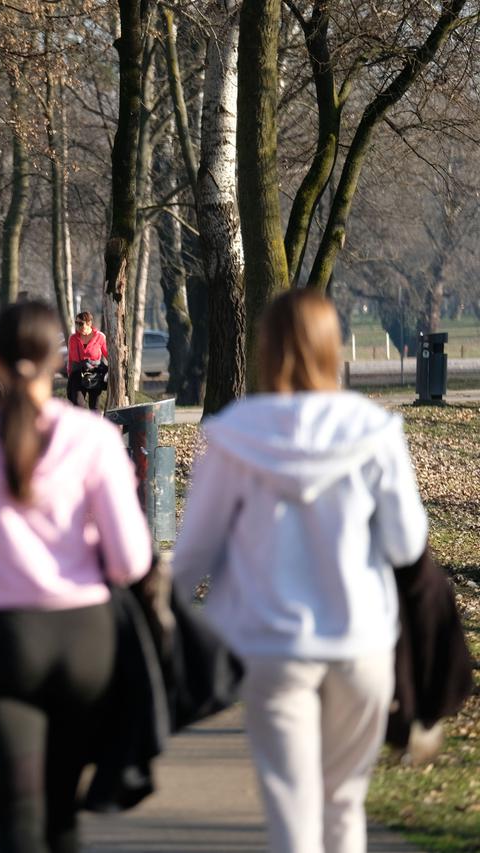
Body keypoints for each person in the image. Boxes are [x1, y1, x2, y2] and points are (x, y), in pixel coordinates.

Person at [172, 289, 428, 853]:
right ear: (333, 347)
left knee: (292, 803)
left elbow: (193, 555)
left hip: (269, 644)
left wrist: (166, 616)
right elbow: (408, 543)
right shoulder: (374, 431)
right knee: (343, 802)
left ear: (266, 349)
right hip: (360, 640)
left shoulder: (234, 434)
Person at [0, 301, 152, 851]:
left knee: (17, 816)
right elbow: (131, 560)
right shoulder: (92, 437)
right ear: (58, 360)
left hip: (5, 641)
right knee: (61, 813)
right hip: (86, 643)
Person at [66, 311, 108, 412]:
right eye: (76, 323)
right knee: (77, 404)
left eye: (81, 323)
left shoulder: (100, 337)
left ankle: (96, 426)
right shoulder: (73, 338)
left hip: (95, 374)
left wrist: (110, 373)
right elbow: (70, 358)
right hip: (77, 374)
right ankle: (84, 424)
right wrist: (69, 374)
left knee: (94, 406)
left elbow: (108, 355)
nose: (78, 326)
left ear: (89, 323)